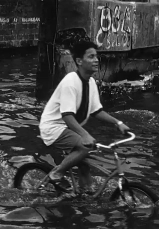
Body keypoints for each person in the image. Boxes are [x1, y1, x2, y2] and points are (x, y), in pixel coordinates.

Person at [39, 41, 130, 193]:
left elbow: (96, 111)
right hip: (54, 127)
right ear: (79, 61)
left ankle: (84, 196)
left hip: (69, 128)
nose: (96, 60)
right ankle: (56, 173)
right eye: (91, 56)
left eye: (96, 56)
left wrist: (118, 122)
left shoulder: (91, 82)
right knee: (84, 146)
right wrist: (85, 135)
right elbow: (67, 116)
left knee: (85, 165)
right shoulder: (70, 82)